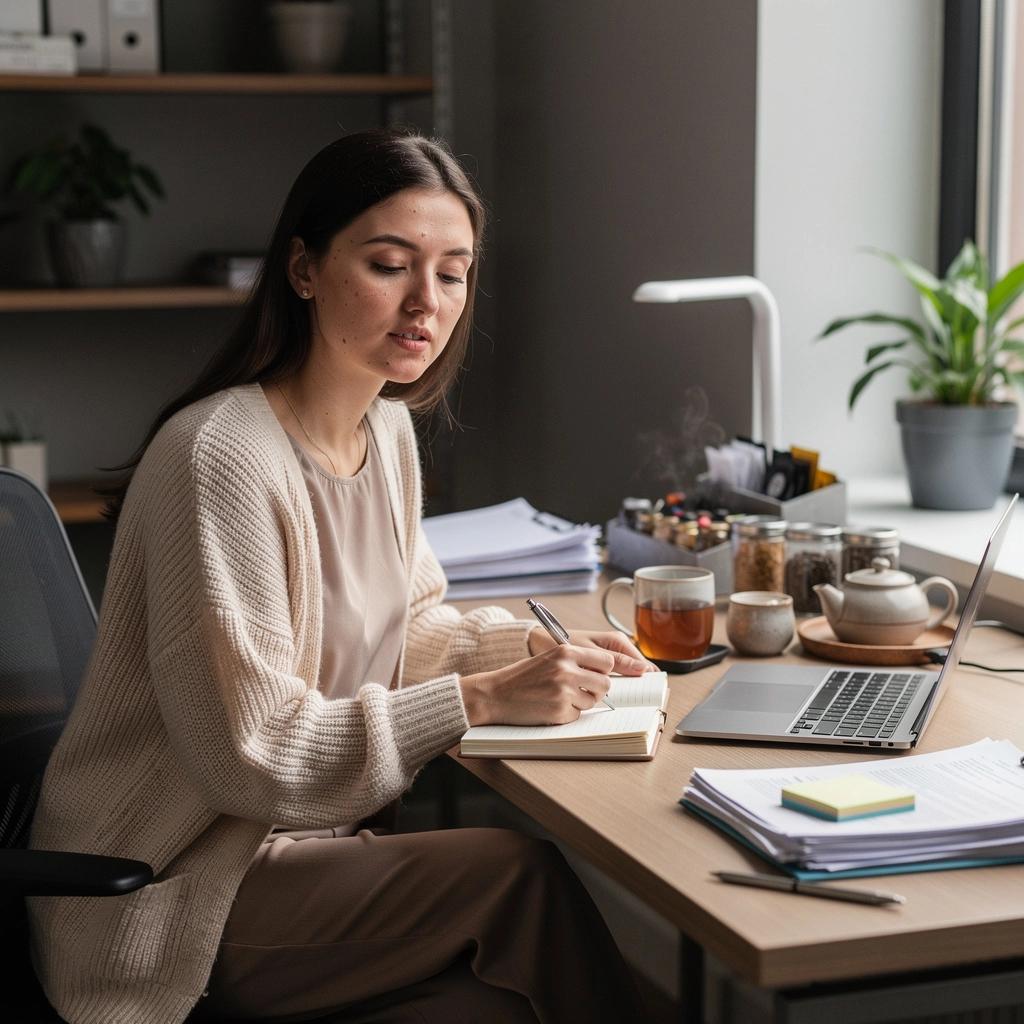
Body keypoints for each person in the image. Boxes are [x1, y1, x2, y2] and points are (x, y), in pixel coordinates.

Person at [28, 128, 652, 1024]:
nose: (425, 304)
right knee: (518, 878)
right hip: (178, 886)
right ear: (305, 269)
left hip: (302, 857)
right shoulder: (223, 457)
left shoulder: (385, 431)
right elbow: (256, 754)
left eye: (452, 272)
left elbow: (413, 629)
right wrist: (478, 701)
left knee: (502, 1005)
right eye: (391, 264)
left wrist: (535, 652)